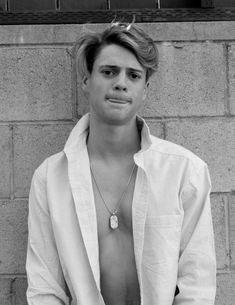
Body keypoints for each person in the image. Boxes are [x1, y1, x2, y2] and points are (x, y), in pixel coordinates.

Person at [26, 20, 216, 305]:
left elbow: (196, 285)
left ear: (145, 89)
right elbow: (45, 289)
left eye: (134, 76)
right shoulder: (50, 178)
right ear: (86, 80)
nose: (120, 83)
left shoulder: (185, 172)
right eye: (109, 71)